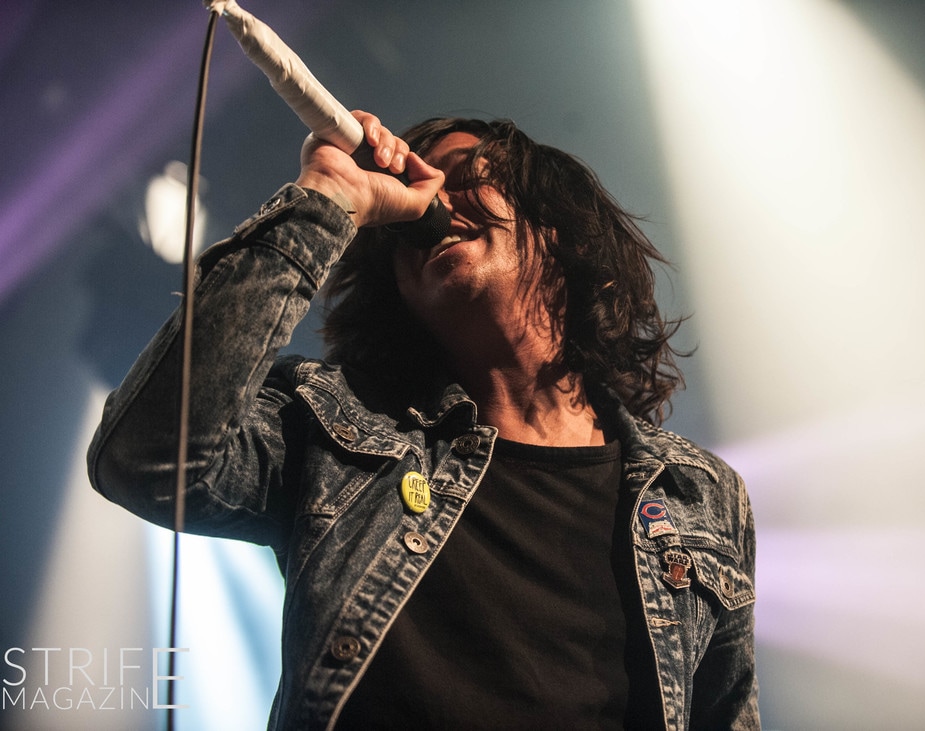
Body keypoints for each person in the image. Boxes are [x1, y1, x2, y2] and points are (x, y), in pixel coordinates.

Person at [88, 111, 759, 730]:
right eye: (405, 216)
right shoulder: (335, 424)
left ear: (557, 228)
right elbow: (144, 457)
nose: (431, 206)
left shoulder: (700, 494)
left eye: (463, 178)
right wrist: (327, 197)